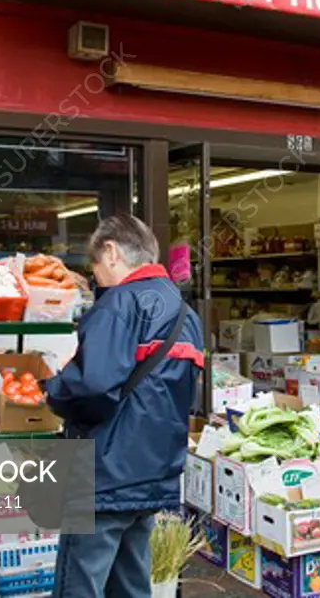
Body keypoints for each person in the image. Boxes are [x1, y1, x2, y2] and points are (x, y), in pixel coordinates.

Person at [47, 215, 203, 598]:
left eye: (96, 266)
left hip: (105, 475)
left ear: (112, 252)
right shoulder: (187, 314)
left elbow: (92, 386)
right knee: (131, 584)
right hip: (153, 474)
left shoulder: (120, 303)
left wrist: (52, 390)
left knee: (79, 584)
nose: (96, 277)